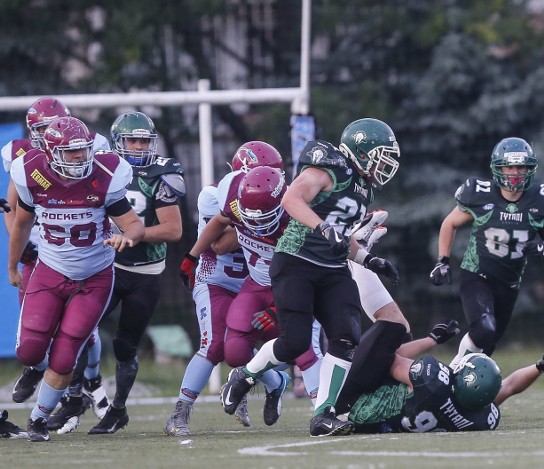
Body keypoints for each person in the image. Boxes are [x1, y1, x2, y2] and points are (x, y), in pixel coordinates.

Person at [219, 117, 402, 437]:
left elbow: (344, 239)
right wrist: (321, 226)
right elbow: (291, 198)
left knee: (346, 336)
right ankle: (245, 376)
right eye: (381, 155)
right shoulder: (329, 168)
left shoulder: (364, 189)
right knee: (294, 343)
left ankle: (323, 414)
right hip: (296, 262)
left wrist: (369, 259)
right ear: (361, 150)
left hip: (333, 270)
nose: (385, 164)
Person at [7, 116, 144, 442]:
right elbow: (22, 224)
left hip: (94, 277)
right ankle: (35, 369)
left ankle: (38, 420)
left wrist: (129, 237)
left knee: (67, 354)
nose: (81, 157)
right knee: (29, 350)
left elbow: (133, 223)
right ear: (52, 152)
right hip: (50, 269)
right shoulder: (33, 172)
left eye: (83, 151)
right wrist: (12, 266)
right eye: (71, 152)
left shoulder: (104, 175)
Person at [167, 144, 308, 435]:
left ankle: (263, 382)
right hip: (216, 278)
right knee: (214, 345)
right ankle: (180, 413)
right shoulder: (217, 195)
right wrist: (249, 220)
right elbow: (219, 245)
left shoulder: (279, 201)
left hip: (253, 283)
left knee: (254, 347)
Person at [4, 97, 110, 411]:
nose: (49, 132)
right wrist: (20, 246)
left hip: (82, 250)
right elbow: (14, 210)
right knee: (34, 330)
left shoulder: (90, 148)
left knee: (81, 329)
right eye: (42, 128)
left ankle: (90, 382)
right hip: (39, 252)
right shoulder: (21, 156)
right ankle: (36, 369)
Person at [84, 111, 185, 435]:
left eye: (144, 140)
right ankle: (78, 395)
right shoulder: (102, 170)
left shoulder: (161, 173)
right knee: (78, 329)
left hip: (146, 272)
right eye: (133, 140)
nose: (140, 146)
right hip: (108, 267)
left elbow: (173, 230)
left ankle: (117, 410)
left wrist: (134, 234)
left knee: (125, 345)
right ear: (118, 143)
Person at [430, 137, 544, 368]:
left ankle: (462, 397)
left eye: (521, 166)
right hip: (476, 275)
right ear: (498, 168)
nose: (515, 173)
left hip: (509, 284)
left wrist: (542, 249)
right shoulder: (480, 195)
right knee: (483, 329)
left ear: (530, 168)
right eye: (509, 166)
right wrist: (442, 261)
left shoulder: (540, 201)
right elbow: (449, 223)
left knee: (486, 349)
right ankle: (450, 374)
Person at [334, 319, 544, 433]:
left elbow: (389, 357)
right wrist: (539, 367)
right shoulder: (477, 418)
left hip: (354, 406)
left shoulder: (433, 381)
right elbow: (508, 387)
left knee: (391, 331)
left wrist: (432, 340)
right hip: (380, 425)